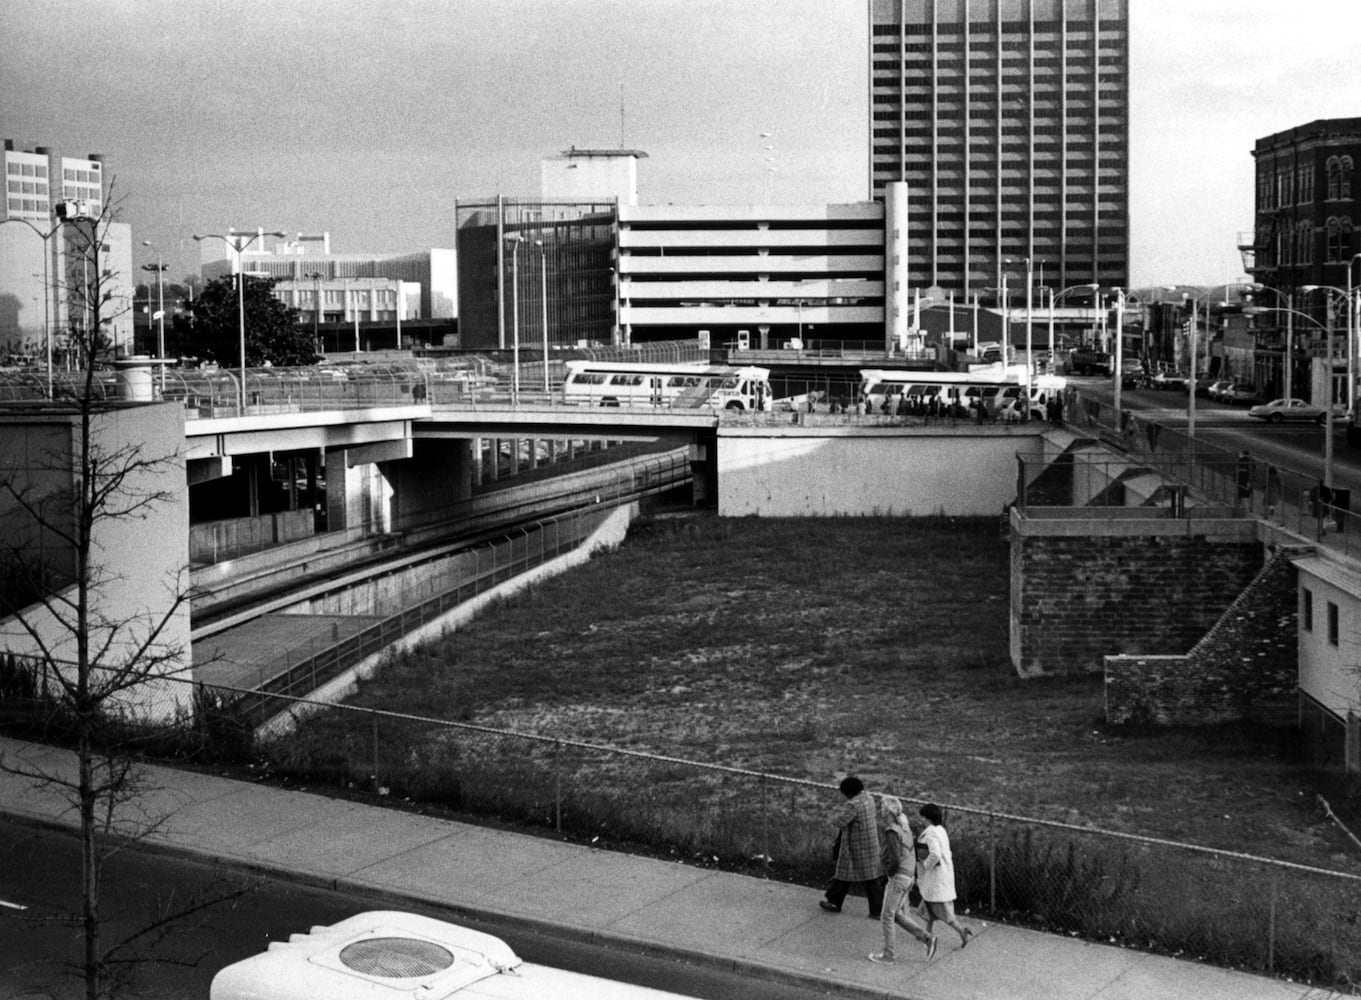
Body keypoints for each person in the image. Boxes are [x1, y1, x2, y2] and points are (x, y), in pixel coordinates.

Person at [868, 796, 935, 964]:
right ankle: (926, 938)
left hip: (898, 877)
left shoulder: (891, 830)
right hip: (908, 876)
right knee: (897, 914)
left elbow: (895, 859)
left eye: (882, 807)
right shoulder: (904, 828)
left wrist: (889, 873)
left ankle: (888, 955)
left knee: (886, 916)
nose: (881, 811)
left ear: (888, 811)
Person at [819, 775, 884, 917]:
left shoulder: (852, 805)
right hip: (871, 843)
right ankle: (877, 910)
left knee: (844, 874)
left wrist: (833, 815)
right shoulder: (869, 798)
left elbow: (840, 822)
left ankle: (834, 902)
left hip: (856, 845)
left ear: (848, 793)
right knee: (872, 877)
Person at [915, 803, 973, 948]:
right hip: (941, 875)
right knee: (929, 904)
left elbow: (935, 854)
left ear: (927, 818)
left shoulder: (930, 834)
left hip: (935, 877)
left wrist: (925, 865)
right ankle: (927, 933)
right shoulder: (941, 830)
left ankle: (961, 930)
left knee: (944, 912)